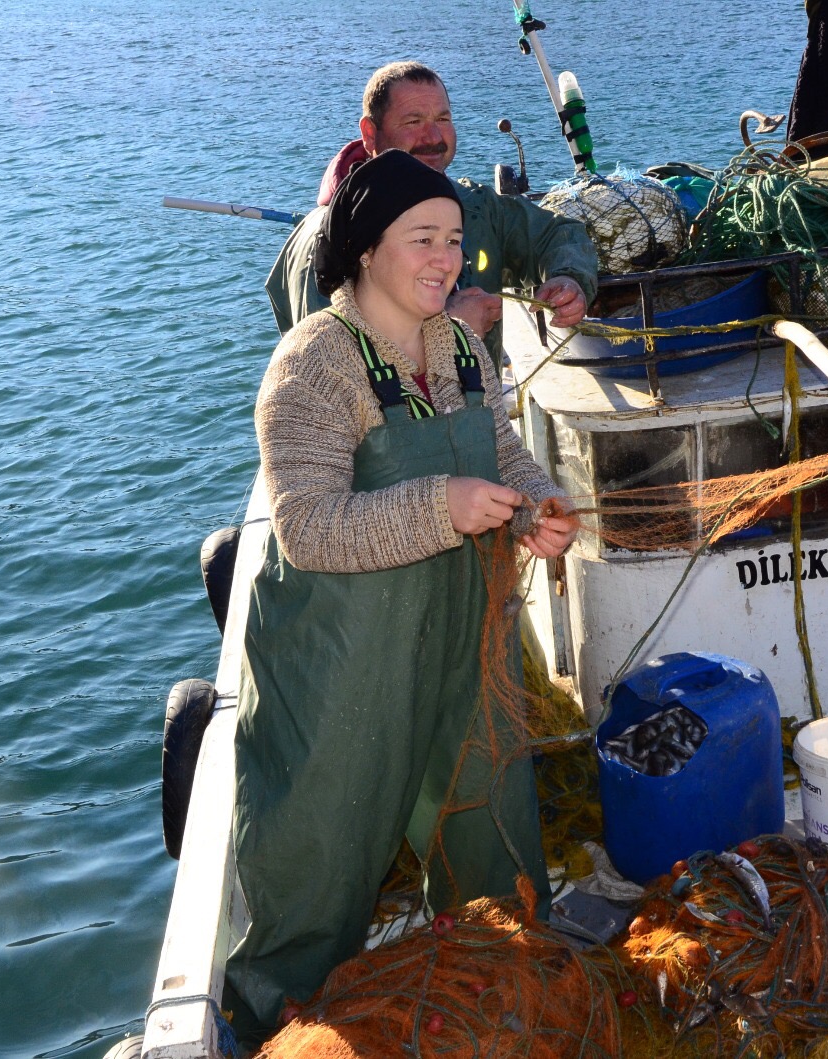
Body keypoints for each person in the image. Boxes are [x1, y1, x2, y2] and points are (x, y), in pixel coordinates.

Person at [226, 149, 579, 1047]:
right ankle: (282, 1018)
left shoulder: (460, 344)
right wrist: (443, 506)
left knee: (487, 814)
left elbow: (499, 451)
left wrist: (534, 505)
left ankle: (496, 968)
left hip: (461, 631)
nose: (446, 259)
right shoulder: (313, 366)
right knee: (325, 848)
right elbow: (309, 528)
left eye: (455, 240)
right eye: (422, 238)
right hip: (342, 659)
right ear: (364, 248)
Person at [265, 61, 598, 354]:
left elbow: (557, 233)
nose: (433, 136)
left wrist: (569, 279)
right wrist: (450, 331)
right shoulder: (329, 243)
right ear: (370, 133)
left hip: (473, 421)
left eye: (443, 118)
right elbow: (330, 374)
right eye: (413, 122)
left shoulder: (475, 207)